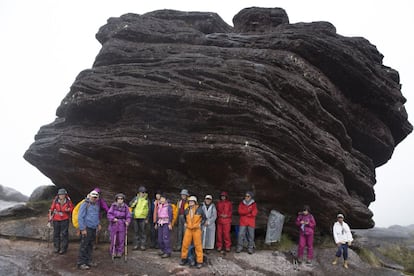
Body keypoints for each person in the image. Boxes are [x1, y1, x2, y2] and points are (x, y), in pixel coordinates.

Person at [77, 190, 101, 270]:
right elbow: (80, 217)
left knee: (90, 245)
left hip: (93, 228)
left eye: (95, 197)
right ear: (89, 196)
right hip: (86, 228)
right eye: (93, 197)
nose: (94, 199)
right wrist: (82, 229)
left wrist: (98, 224)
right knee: (84, 246)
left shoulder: (96, 205)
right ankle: (81, 263)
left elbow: (96, 216)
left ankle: (88, 261)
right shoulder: (85, 204)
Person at [180, 196, 206, 269]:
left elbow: (204, 218)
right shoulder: (186, 210)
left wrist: (200, 224)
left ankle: (199, 261)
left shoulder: (200, 210)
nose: (190, 203)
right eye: (190, 201)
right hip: (188, 229)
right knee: (185, 244)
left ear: (195, 202)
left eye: (192, 201)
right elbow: (183, 217)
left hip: (196, 229)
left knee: (198, 245)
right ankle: (184, 259)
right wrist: (185, 223)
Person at [48, 188, 74, 254]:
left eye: (63, 194)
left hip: (65, 219)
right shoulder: (56, 200)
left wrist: (67, 210)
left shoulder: (68, 201)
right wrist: (50, 219)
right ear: (58, 195)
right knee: (56, 233)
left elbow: (72, 208)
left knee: (64, 234)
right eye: (60, 195)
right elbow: (51, 209)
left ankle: (63, 248)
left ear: (65, 195)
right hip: (56, 219)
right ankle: (57, 247)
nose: (61, 196)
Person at [107, 193, 131, 258]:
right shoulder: (113, 206)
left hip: (122, 224)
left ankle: (120, 251)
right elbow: (109, 214)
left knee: (121, 239)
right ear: (116, 200)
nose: (120, 200)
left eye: (121, 199)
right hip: (114, 224)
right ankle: (113, 251)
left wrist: (127, 221)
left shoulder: (125, 207)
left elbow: (128, 216)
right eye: (118, 199)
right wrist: (112, 219)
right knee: (113, 238)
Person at [129, 186, 150, 250]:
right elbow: (130, 205)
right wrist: (135, 202)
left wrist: (147, 218)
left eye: (143, 192)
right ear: (139, 193)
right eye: (141, 192)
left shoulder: (147, 200)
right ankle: (136, 245)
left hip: (143, 218)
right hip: (135, 217)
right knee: (136, 231)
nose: (142, 194)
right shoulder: (136, 198)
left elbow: (149, 210)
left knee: (143, 232)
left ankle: (142, 245)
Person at [155, 193, 173, 258]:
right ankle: (163, 250)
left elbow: (171, 215)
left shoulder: (168, 206)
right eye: (161, 199)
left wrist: (170, 223)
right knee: (160, 238)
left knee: (165, 237)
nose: (162, 200)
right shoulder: (159, 206)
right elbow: (158, 215)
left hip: (166, 222)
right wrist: (156, 223)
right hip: (160, 222)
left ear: (165, 199)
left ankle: (167, 252)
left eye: (163, 199)